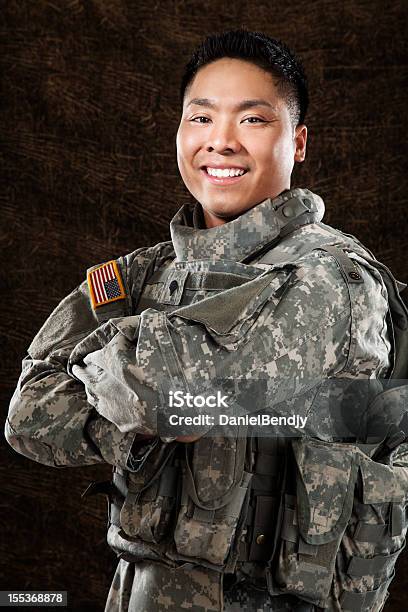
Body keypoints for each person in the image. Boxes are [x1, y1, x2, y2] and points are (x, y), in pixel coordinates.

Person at [6, 29, 408, 612]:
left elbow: (175, 394)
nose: (219, 142)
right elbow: (28, 416)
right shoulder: (144, 273)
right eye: (201, 118)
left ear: (298, 142)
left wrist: (112, 369)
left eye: (251, 120)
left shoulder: (332, 279)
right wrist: (135, 430)